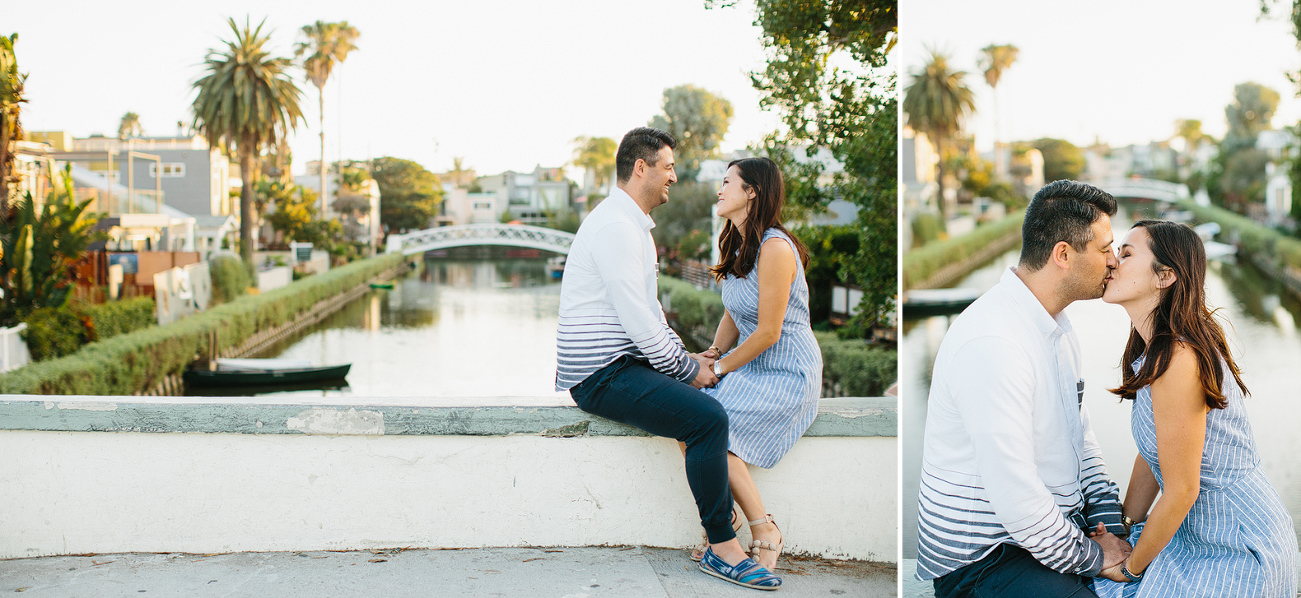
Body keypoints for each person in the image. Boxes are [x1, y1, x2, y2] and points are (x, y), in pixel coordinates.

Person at [554, 127, 780, 591]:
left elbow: (651, 314)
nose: (674, 176)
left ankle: (723, 526)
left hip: (620, 364)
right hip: (601, 374)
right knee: (708, 419)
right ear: (641, 167)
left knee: (704, 413)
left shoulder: (628, 223)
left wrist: (686, 357)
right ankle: (723, 547)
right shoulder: (617, 226)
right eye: (668, 166)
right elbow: (638, 320)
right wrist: (687, 369)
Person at [915, 180, 1133, 598]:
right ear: (1063, 255)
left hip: (1045, 536)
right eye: (1105, 248)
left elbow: (1081, 439)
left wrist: (1110, 520)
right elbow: (1015, 493)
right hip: (984, 559)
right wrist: (1095, 556)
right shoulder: (994, 342)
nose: (1114, 261)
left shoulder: (1055, 326)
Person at [1091, 220, 1297, 597]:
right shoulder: (1157, 350)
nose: (1112, 264)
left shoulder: (1177, 357)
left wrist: (1130, 569)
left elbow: (1183, 489)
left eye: (1126, 253)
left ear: (1165, 276)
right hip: (1197, 533)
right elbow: (1156, 453)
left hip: (1235, 544)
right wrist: (1124, 527)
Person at [685, 157, 821, 573]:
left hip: (787, 372)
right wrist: (711, 353)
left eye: (727, 182)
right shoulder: (739, 243)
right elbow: (734, 314)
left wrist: (720, 369)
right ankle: (725, 517)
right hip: (753, 368)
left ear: (752, 192)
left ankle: (764, 529)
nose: (719, 189)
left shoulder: (776, 248)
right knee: (687, 413)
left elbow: (767, 333)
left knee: (712, 427)